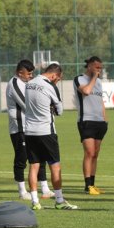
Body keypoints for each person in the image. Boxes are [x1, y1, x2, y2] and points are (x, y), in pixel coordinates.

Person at [24, 63, 78, 210]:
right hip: (46, 131)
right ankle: (59, 200)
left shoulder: (29, 84)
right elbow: (60, 110)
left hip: (29, 131)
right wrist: (52, 108)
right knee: (54, 166)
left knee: (34, 166)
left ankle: (35, 202)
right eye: (58, 79)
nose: (57, 82)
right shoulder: (50, 86)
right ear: (54, 75)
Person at [6, 59, 53, 200]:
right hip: (20, 128)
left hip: (33, 127)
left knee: (40, 157)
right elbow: (27, 104)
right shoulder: (14, 84)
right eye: (28, 74)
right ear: (20, 73)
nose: (30, 76)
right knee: (22, 158)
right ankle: (22, 191)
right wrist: (43, 107)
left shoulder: (28, 84)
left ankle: (45, 189)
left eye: (32, 73)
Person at [73, 56, 108, 195]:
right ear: (89, 66)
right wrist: (93, 77)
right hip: (86, 121)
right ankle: (87, 185)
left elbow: (101, 102)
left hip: (100, 122)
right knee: (89, 152)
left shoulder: (99, 82)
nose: (99, 70)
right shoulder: (79, 79)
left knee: (95, 154)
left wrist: (105, 120)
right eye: (96, 67)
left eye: (100, 67)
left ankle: (93, 184)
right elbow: (86, 91)